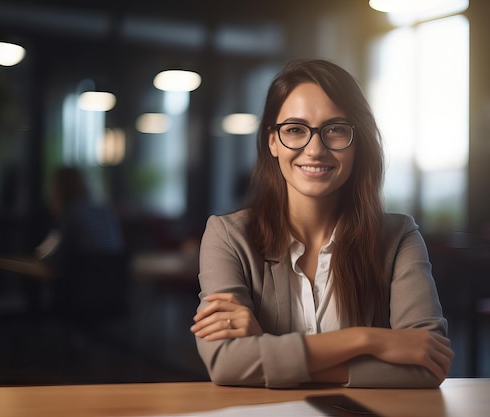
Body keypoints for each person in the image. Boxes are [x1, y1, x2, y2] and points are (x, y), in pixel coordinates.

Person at [190, 59, 454, 389]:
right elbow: (227, 363)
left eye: (336, 129)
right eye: (295, 130)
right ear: (272, 141)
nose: (315, 149)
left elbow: (429, 365)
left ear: (358, 142)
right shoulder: (228, 236)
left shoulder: (398, 238)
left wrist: (266, 353)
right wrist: (368, 340)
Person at [35, 166, 124, 271]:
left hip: (82, 281)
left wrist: (42, 253)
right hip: (112, 281)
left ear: (58, 190)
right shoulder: (105, 211)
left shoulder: (71, 213)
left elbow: (55, 259)